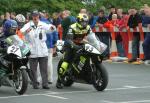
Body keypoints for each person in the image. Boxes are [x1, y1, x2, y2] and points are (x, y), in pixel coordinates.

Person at [20, 10, 56, 89]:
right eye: (34, 16)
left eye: (36, 16)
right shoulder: (28, 25)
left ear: (38, 16)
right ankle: (35, 84)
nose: (35, 17)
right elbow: (21, 32)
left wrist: (52, 27)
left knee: (44, 69)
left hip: (42, 50)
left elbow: (51, 29)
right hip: (32, 49)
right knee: (33, 70)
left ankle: (45, 84)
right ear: (32, 17)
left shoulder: (42, 24)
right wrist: (26, 31)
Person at [56, 13, 93, 89]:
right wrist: (74, 46)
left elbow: (92, 37)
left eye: (86, 22)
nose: (84, 23)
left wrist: (95, 44)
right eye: (83, 22)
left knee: (89, 55)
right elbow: (69, 39)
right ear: (78, 21)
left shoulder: (88, 27)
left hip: (81, 44)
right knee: (65, 62)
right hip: (70, 45)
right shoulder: (72, 27)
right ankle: (59, 80)